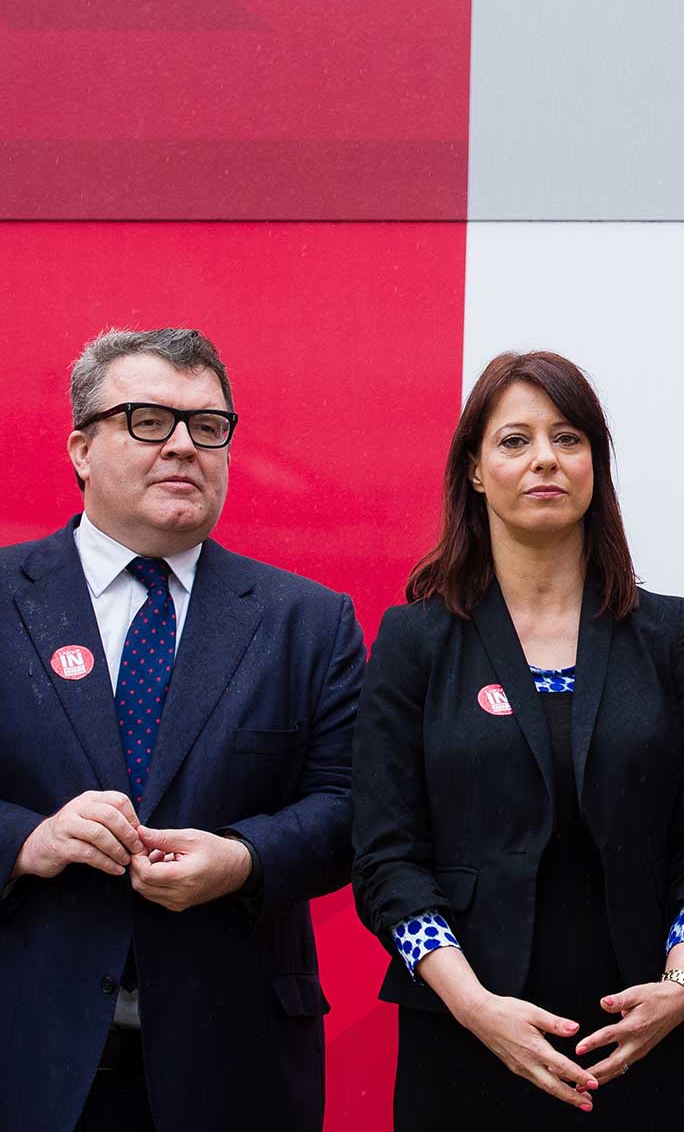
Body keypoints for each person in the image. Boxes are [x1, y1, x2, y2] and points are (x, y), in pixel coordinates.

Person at [352, 350, 684, 1128]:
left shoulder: (671, 636)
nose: (544, 461)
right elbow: (388, 859)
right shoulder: (415, 642)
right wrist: (473, 1006)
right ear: (473, 469)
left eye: (568, 439)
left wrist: (682, 988)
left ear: (595, 465)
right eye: (514, 440)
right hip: (463, 1044)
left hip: (643, 1049)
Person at [0, 327, 364, 1132]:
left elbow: (353, 810)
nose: (182, 447)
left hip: (234, 1062)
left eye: (207, 427)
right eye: (147, 420)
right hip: (26, 1051)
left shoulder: (307, 620)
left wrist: (242, 859)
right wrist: (30, 842)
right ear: (81, 448)